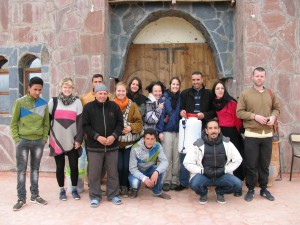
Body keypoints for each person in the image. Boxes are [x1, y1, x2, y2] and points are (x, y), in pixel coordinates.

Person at [236, 67, 280, 202]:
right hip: (251, 135)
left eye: (262, 76)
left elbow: (277, 108)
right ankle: (250, 189)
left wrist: (273, 117)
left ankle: (264, 189)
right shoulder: (245, 94)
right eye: (257, 76)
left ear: (265, 78)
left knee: (264, 164)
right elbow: (239, 112)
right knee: (251, 164)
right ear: (252, 77)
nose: (259, 78)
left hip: (267, 135)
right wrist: (254, 116)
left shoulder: (270, 94)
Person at [10, 77, 49, 211]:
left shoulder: (44, 103)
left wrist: (44, 139)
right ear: (29, 88)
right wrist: (17, 139)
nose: (37, 92)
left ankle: (35, 195)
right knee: (21, 171)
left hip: (38, 141)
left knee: (35, 170)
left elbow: (46, 123)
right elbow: (14, 123)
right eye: (35, 89)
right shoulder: (20, 102)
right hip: (23, 141)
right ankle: (21, 198)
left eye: (40, 90)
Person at [82, 83, 123, 207]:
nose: (102, 96)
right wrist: (97, 137)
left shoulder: (114, 107)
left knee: (113, 173)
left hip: (112, 146)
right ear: (95, 94)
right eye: (100, 93)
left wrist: (113, 136)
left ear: (108, 94)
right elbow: (85, 126)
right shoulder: (88, 108)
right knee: (94, 174)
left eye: (105, 93)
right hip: (95, 147)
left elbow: (120, 124)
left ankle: (113, 195)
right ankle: (95, 196)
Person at [183, 119, 242, 204]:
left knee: (238, 184)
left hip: (222, 175)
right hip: (204, 175)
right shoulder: (198, 144)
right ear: (206, 131)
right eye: (210, 128)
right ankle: (203, 193)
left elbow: (238, 159)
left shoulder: (227, 143)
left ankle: (220, 192)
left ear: (219, 130)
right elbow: (187, 162)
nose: (213, 131)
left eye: (215, 128)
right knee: (194, 184)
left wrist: (225, 170)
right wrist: (202, 171)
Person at [176, 71, 216, 191]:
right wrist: (182, 112)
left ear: (202, 79)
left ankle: (203, 181)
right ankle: (183, 182)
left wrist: (205, 115)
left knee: (204, 154)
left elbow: (214, 111)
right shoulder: (185, 93)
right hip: (188, 129)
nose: (195, 82)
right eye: (193, 80)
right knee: (185, 154)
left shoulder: (209, 94)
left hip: (204, 129)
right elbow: (181, 109)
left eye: (198, 79)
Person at [48, 77, 83, 201]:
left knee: (74, 167)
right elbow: (47, 121)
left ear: (72, 89)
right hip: (57, 140)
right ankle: (62, 190)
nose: (67, 89)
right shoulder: (53, 102)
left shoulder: (77, 102)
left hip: (72, 140)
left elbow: (80, 122)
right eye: (65, 87)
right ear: (61, 88)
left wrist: (79, 139)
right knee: (60, 167)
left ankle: (74, 189)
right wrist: (50, 138)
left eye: (69, 87)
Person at [212, 81, 244, 196]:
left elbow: (238, 120)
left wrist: (238, 133)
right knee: (224, 159)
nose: (220, 90)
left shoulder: (231, 102)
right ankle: (226, 183)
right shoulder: (215, 103)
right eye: (217, 88)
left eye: (222, 88)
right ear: (214, 91)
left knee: (234, 158)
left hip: (232, 133)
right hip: (221, 133)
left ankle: (238, 186)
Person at [113, 82, 143, 197]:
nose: (121, 93)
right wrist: (117, 129)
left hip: (128, 143)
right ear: (115, 91)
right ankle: (118, 186)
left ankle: (125, 187)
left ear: (126, 92)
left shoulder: (133, 105)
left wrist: (130, 127)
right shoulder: (110, 104)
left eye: (123, 91)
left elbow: (139, 123)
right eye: (118, 91)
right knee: (118, 166)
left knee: (127, 167)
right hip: (114, 142)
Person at [128, 128, 171, 200]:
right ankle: (134, 189)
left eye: (152, 139)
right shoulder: (135, 148)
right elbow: (132, 168)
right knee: (135, 183)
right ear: (144, 138)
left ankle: (157, 192)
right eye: (147, 138)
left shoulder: (158, 146)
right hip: (138, 171)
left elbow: (165, 161)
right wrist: (144, 178)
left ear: (155, 139)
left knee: (162, 171)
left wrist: (156, 172)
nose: (149, 141)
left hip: (150, 169)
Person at [156, 77, 181, 191]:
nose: (175, 86)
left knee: (176, 157)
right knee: (166, 156)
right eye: (173, 84)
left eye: (177, 84)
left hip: (178, 131)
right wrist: (160, 131)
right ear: (170, 85)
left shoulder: (181, 98)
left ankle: (175, 179)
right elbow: (161, 116)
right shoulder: (164, 99)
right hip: (167, 130)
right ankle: (166, 180)